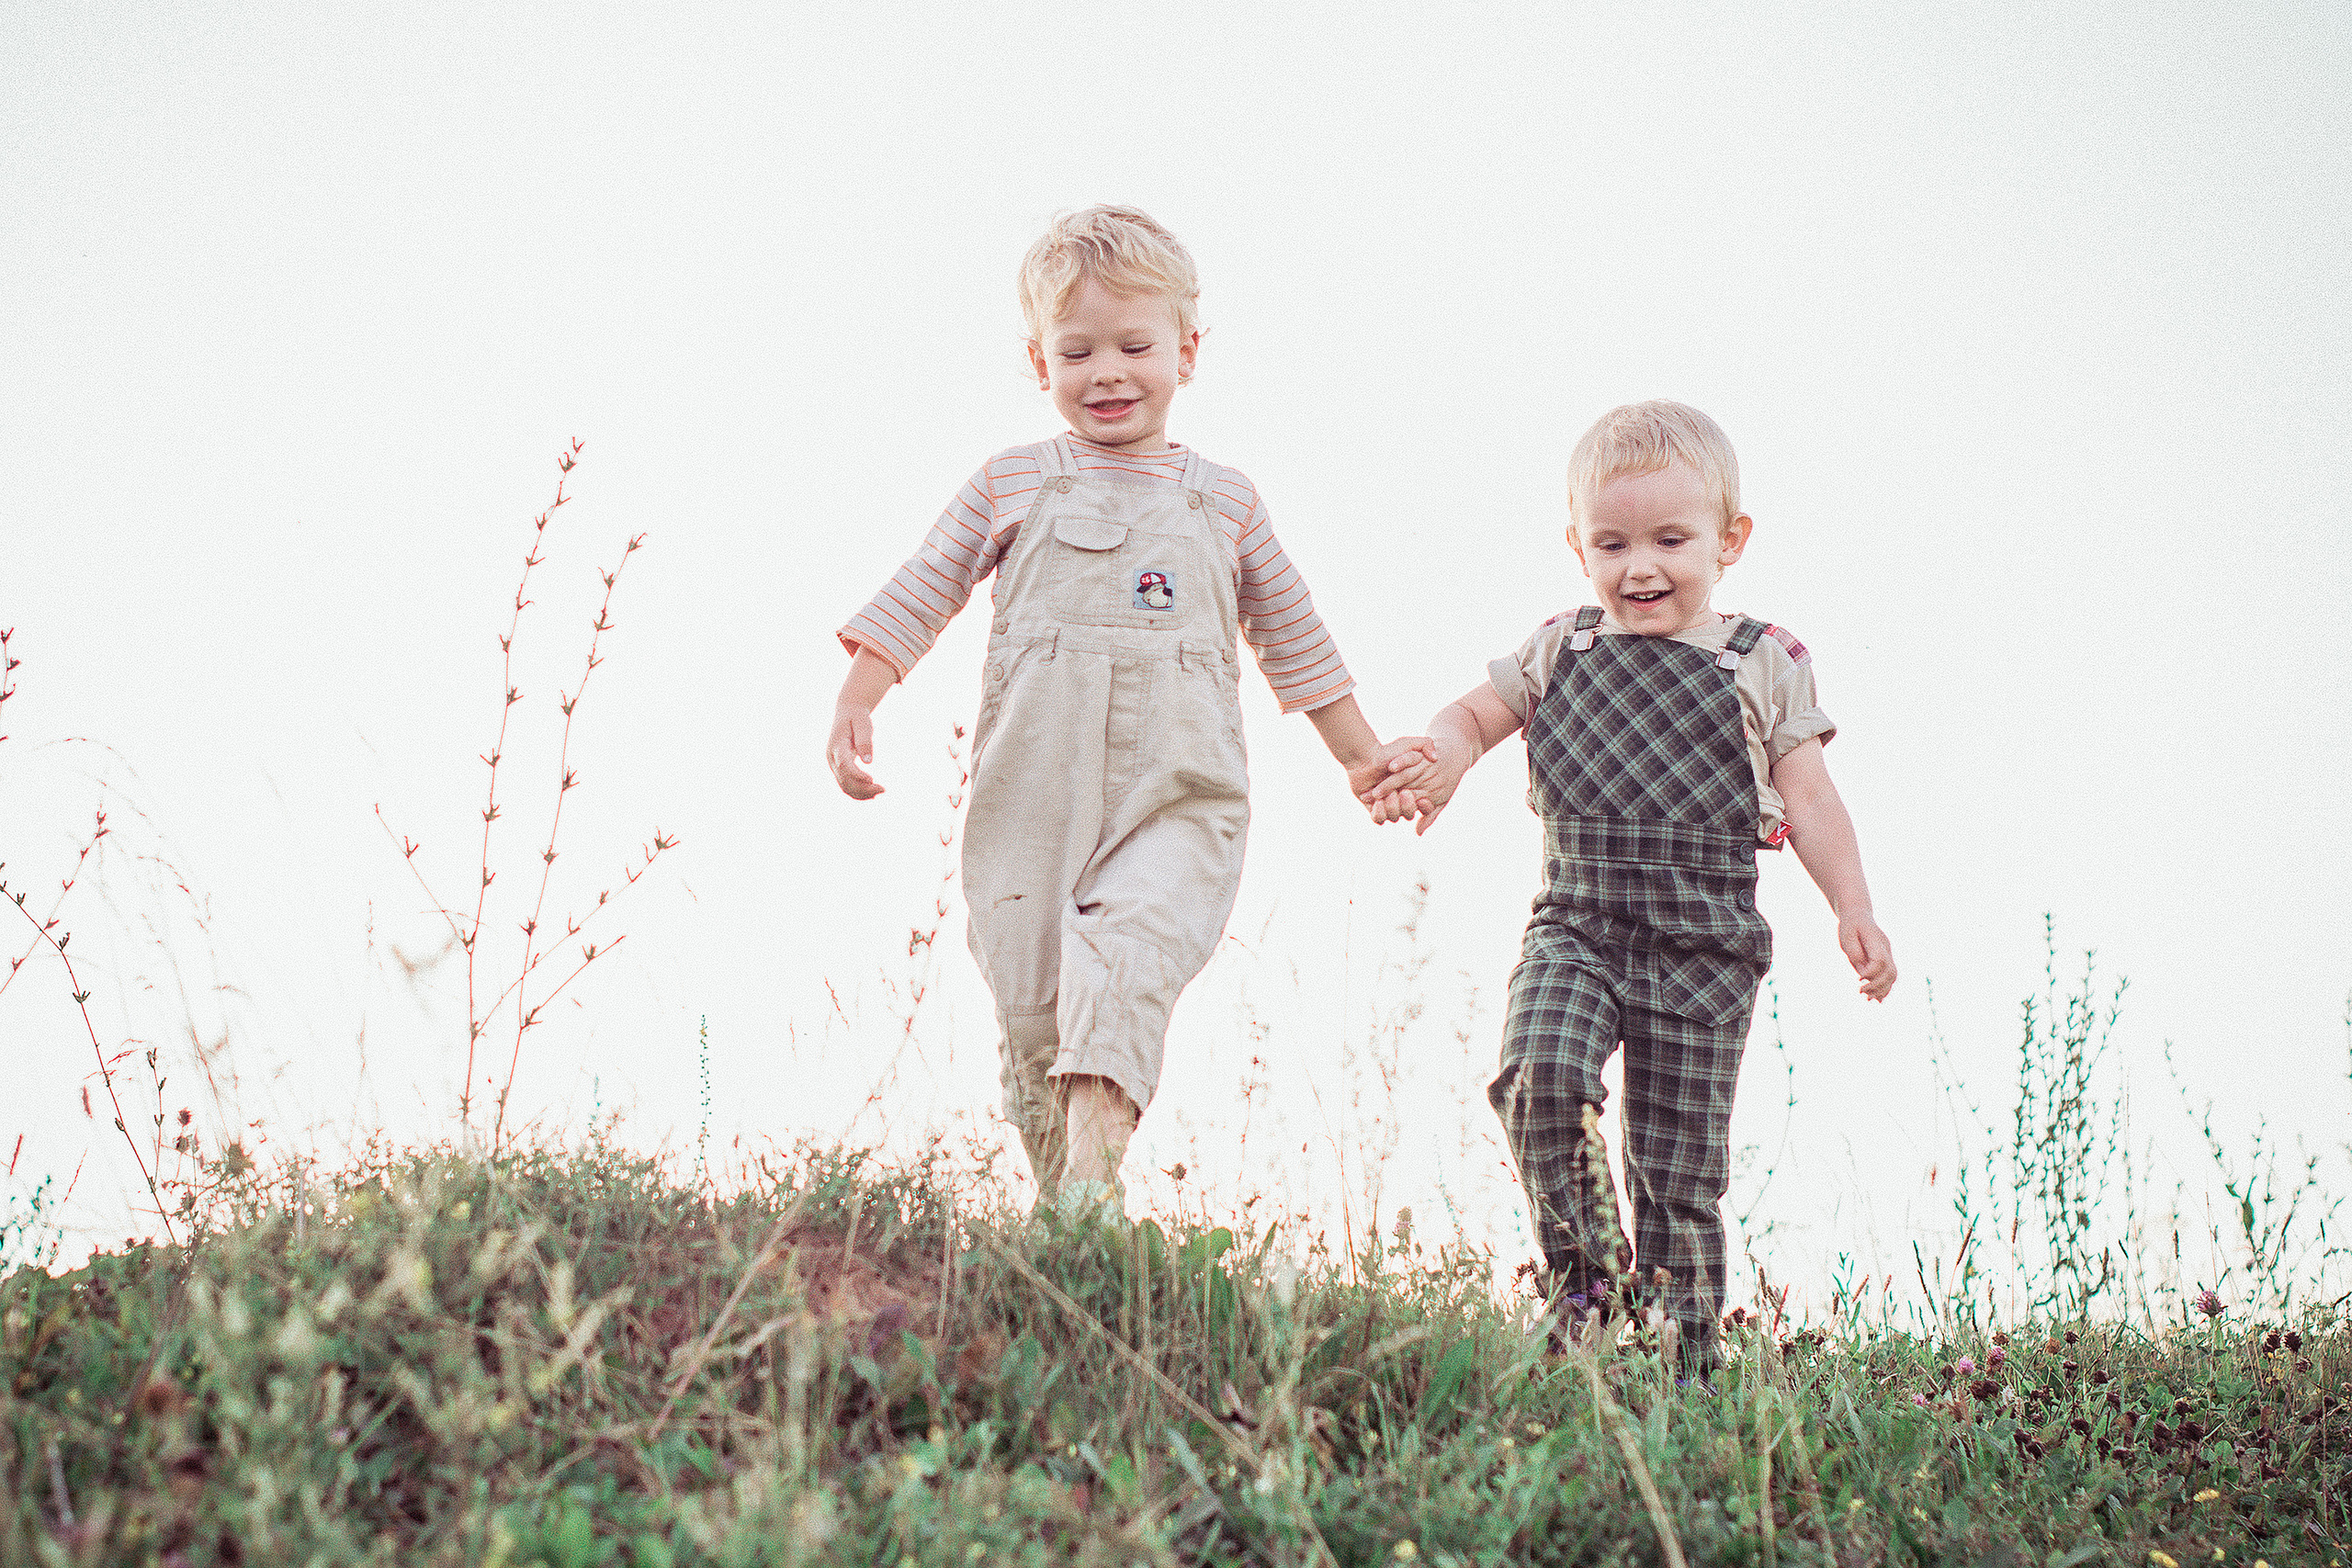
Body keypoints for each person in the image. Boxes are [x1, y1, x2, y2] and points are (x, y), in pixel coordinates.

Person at [829, 205, 1432, 1213]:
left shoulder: (1225, 502)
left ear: (1187, 351)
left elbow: (1296, 638)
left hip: (1176, 789)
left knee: (1127, 956)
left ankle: (1090, 1190)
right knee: (1032, 1007)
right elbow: (924, 584)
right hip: (1033, 786)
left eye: (1134, 346)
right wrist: (861, 696)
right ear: (1039, 363)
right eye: (1077, 352)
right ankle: (1070, 1229)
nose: (1107, 372)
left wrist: (1362, 757)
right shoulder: (1012, 480)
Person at [1364, 400, 1894, 1370]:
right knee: (1538, 1080)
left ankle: (1683, 1367)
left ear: (1729, 541)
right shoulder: (1558, 648)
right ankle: (1588, 1292)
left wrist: (1852, 907)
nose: (1639, 567)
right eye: (1611, 544)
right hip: (1577, 928)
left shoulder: (1762, 661)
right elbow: (1473, 716)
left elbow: (1811, 797)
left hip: (1703, 952)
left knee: (1675, 1175)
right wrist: (1442, 756)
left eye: (1669, 540)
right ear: (1578, 546)